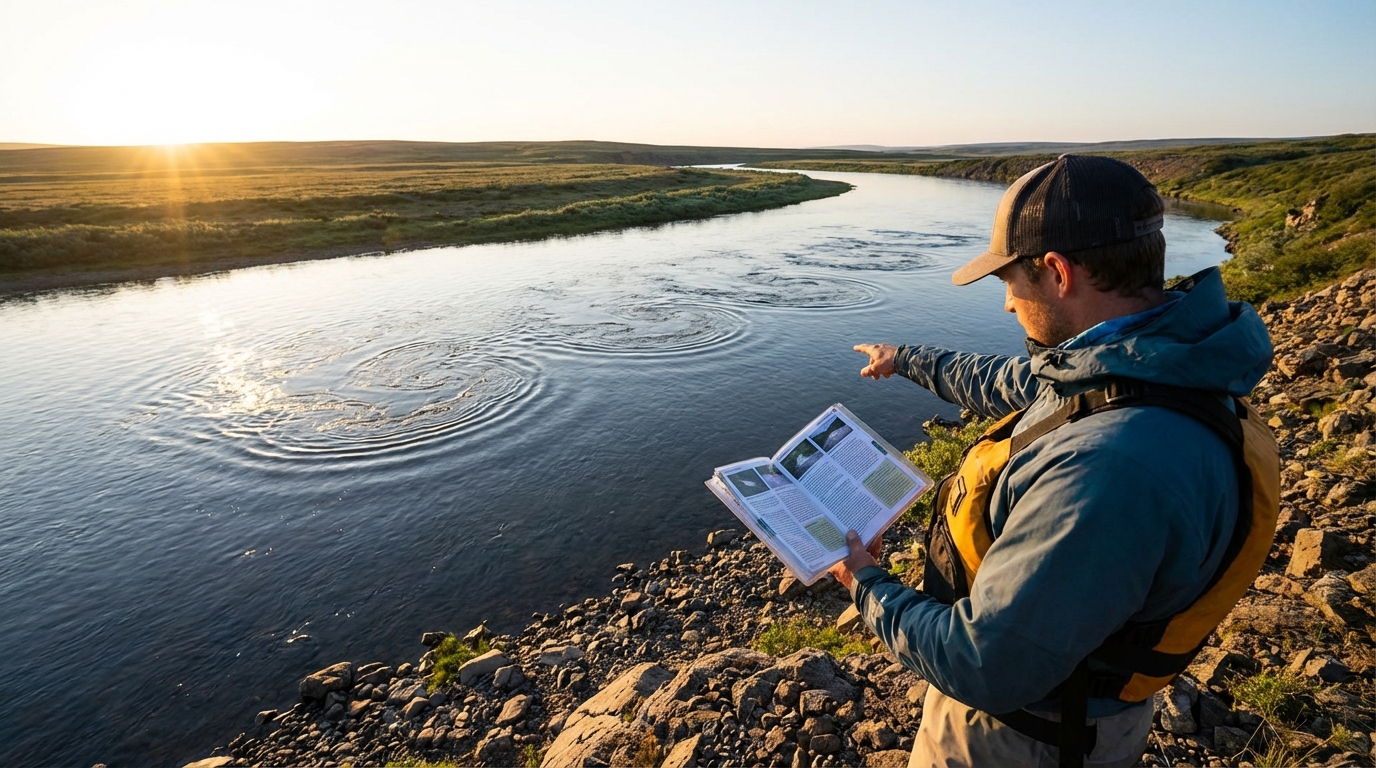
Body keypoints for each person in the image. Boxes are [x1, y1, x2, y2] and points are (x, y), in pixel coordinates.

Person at [832, 155, 1276, 768]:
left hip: (1028, 738)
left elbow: (984, 665)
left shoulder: (1111, 466)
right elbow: (1017, 383)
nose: (1010, 306)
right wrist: (904, 357)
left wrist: (866, 584)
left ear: (1058, 272)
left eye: (1009, 283)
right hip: (1068, 714)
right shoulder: (1158, 362)